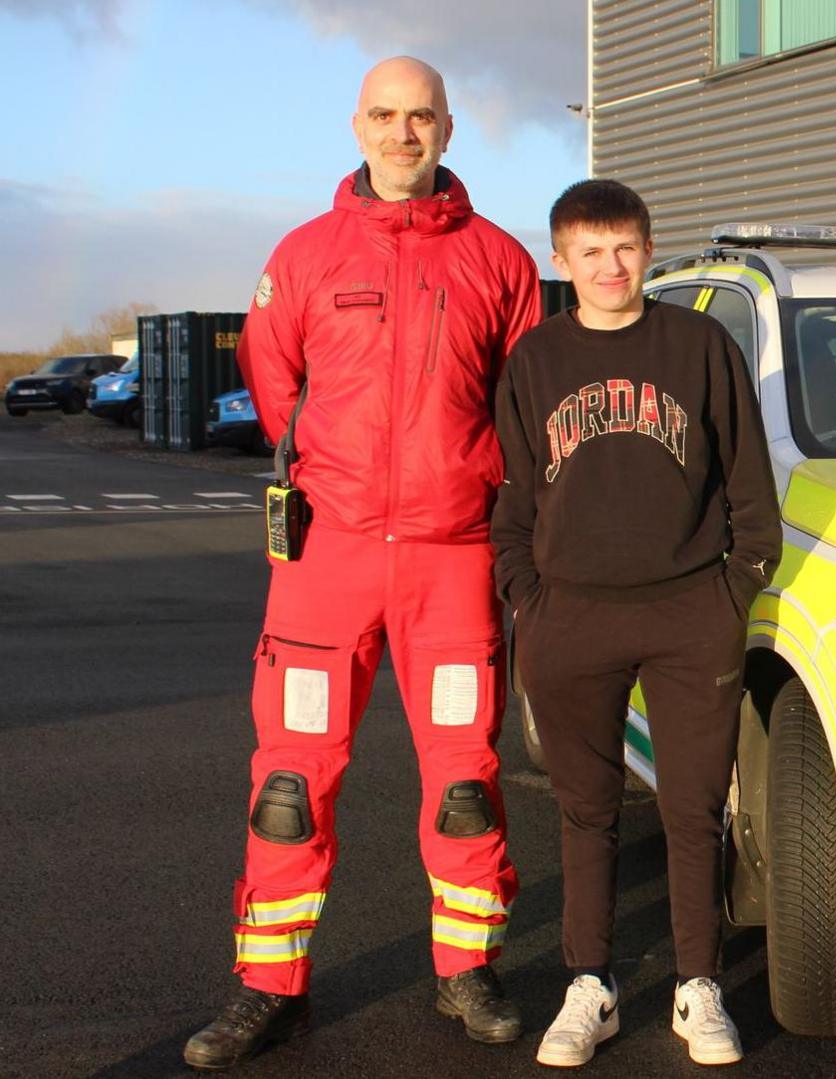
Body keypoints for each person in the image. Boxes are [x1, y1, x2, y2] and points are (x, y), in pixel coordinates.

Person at [183, 56, 542, 1071]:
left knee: (465, 778)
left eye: (419, 116)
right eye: (384, 115)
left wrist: (478, 497)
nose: (401, 133)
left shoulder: (500, 262)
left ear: (448, 127)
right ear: (356, 125)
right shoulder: (301, 256)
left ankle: (466, 966)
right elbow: (272, 384)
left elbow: (520, 405)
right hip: (327, 559)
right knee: (290, 782)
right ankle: (270, 988)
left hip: (453, 558)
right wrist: (330, 488)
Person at [491, 179, 781, 1068]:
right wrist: (528, 598)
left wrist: (734, 591)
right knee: (587, 811)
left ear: (649, 250)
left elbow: (748, 486)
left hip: (691, 611)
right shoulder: (536, 359)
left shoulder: (697, 345)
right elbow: (511, 495)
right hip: (569, 617)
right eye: (590, 251)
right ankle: (592, 985)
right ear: (561, 260)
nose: (610, 266)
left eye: (625, 248)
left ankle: (700, 986)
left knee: (694, 811)